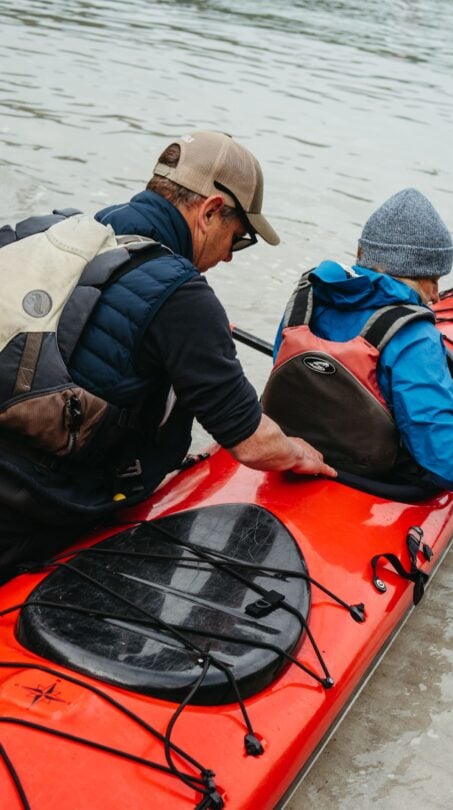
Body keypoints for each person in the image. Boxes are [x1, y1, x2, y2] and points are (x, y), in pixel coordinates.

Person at [0, 131, 335, 581]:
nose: (230, 258)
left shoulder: (63, 235)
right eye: (238, 240)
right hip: (30, 512)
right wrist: (301, 454)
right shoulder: (183, 299)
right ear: (211, 211)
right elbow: (252, 443)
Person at [262, 188, 453, 495]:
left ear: (363, 255)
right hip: (374, 480)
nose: (437, 296)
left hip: (295, 452)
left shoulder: (306, 297)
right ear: (409, 272)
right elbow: (452, 468)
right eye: (433, 280)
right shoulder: (415, 336)